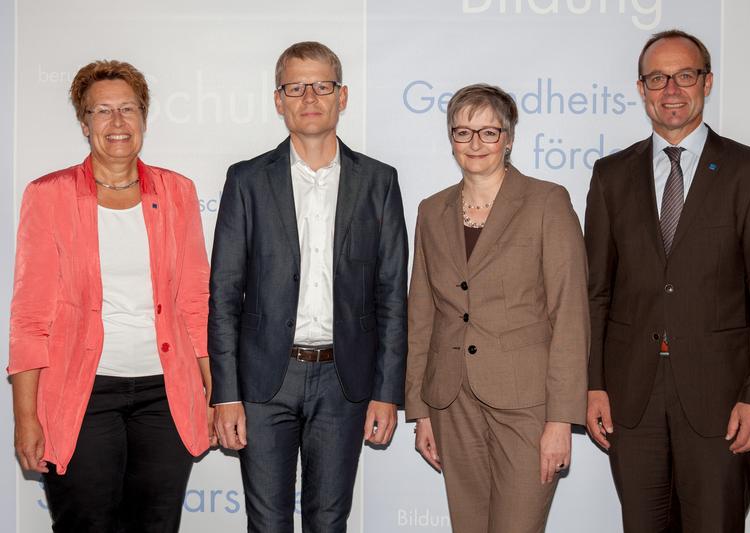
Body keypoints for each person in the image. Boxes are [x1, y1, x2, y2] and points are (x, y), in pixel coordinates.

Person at [584, 29, 750, 533]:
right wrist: (591, 385)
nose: (671, 89)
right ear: (641, 89)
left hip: (723, 400)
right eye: (657, 78)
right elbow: (595, 292)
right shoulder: (610, 175)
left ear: (707, 82)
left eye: (684, 75)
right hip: (632, 400)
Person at [209, 41, 408, 532]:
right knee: (268, 522)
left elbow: (391, 298)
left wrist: (387, 392)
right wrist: (225, 394)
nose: (310, 97)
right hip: (262, 383)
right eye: (296, 87)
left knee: (329, 520)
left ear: (343, 96)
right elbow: (224, 295)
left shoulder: (379, 181)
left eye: (322, 85)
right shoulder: (247, 180)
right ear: (279, 100)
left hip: (345, 381)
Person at [8, 60, 214, 532]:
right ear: (84, 123)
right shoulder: (48, 196)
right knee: (85, 524)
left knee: (156, 524)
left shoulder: (177, 191)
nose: (117, 122)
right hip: (82, 394)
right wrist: (26, 419)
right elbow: (29, 318)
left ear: (144, 117)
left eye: (128, 109)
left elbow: (195, 304)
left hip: (165, 395)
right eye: (102, 111)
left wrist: (214, 392)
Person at [405, 83, 589, 533]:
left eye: (488, 132)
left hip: (527, 406)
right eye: (463, 132)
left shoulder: (548, 201)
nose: (475, 144)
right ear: (450, 138)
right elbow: (422, 312)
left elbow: (570, 314)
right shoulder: (431, 210)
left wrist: (561, 418)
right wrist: (420, 408)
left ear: (509, 138)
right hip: (451, 400)